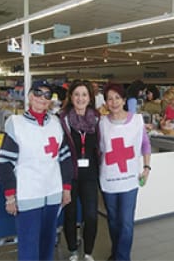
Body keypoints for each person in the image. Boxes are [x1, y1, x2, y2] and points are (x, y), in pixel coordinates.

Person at [0, 80, 73, 261]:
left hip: (53, 194)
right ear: (30, 96)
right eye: (38, 93)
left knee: (48, 244)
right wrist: (9, 197)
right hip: (28, 196)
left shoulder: (56, 124)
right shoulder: (16, 124)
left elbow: (65, 158)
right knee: (29, 247)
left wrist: (66, 188)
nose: (42, 98)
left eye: (47, 95)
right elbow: (5, 163)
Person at [99, 83, 151, 261]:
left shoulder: (137, 120)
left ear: (124, 100)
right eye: (109, 98)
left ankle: (122, 258)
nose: (113, 102)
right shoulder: (102, 123)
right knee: (113, 221)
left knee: (126, 223)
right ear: (105, 102)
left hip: (129, 180)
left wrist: (147, 167)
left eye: (117, 98)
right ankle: (117, 254)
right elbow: (99, 150)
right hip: (108, 179)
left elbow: (145, 144)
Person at [59, 80, 100, 261]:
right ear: (71, 97)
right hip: (69, 176)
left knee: (91, 215)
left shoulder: (98, 119)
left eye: (84, 94)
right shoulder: (63, 120)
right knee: (70, 213)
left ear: (90, 98)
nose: (80, 98)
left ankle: (89, 251)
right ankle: (73, 250)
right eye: (77, 94)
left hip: (90, 176)